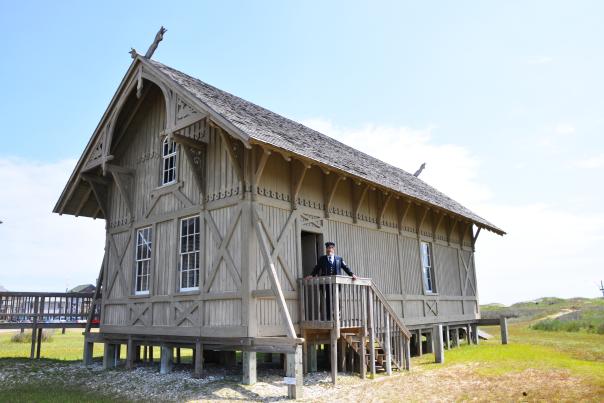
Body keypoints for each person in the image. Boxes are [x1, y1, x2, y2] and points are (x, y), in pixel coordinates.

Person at [304, 242, 356, 321]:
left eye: (331, 248)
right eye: (328, 248)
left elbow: (345, 267)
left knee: (336, 300)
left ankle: (337, 317)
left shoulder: (339, 259)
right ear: (326, 249)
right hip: (326, 284)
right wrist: (311, 275)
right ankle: (329, 319)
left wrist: (352, 274)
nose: (329, 250)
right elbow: (317, 268)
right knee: (328, 301)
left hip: (336, 285)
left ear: (333, 249)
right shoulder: (322, 259)